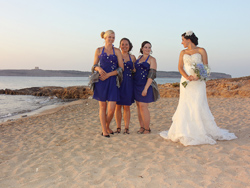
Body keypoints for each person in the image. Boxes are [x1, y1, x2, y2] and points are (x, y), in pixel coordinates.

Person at [160, 31, 237, 146]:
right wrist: (187, 77)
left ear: (188, 39)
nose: (181, 43)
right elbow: (180, 67)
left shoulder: (201, 51)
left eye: (183, 40)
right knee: (185, 105)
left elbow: (206, 67)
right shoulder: (182, 52)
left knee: (197, 104)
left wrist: (198, 76)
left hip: (198, 82)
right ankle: (185, 130)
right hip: (186, 82)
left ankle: (200, 130)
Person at [91, 30, 124, 138]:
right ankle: (105, 130)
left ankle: (106, 125)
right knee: (102, 107)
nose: (111, 39)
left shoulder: (117, 51)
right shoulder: (99, 50)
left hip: (113, 81)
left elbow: (121, 68)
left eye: (113, 37)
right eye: (109, 37)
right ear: (105, 38)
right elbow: (94, 65)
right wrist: (99, 68)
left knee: (112, 108)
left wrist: (109, 74)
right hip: (101, 81)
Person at [134, 41, 158, 134]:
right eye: (145, 47)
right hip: (136, 84)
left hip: (145, 85)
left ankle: (147, 129)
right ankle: (142, 127)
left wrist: (146, 88)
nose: (148, 49)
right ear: (142, 48)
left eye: (149, 47)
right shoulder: (138, 58)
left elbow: (152, 75)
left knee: (144, 106)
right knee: (139, 106)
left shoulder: (152, 59)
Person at [114, 38, 136, 134]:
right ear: (119, 46)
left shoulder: (133, 57)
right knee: (117, 106)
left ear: (129, 46)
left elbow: (135, 70)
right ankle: (118, 127)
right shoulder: (116, 56)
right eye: (122, 44)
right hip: (118, 82)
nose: (124, 46)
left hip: (128, 83)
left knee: (126, 107)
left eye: (126, 44)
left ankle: (126, 128)